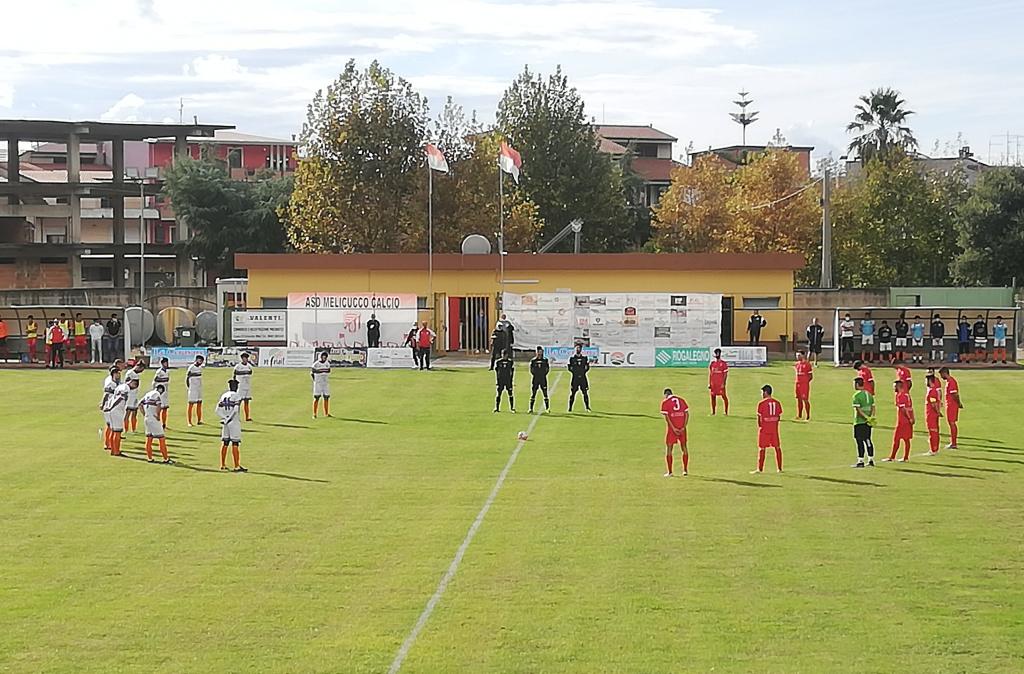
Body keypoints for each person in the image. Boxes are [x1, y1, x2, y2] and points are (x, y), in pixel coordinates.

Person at [217, 379, 246, 472]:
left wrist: (224, 418)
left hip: (225, 422)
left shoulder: (224, 395)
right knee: (235, 443)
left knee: (225, 442)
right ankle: (236, 465)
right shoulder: (237, 396)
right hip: (233, 422)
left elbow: (217, 410)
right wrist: (229, 419)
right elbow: (235, 410)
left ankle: (222, 464)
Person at [104, 377, 138, 458]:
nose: (134, 385)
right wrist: (112, 406)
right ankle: (116, 451)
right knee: (117, 432)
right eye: (134, 383)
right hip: (117, 411)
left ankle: (113, 449)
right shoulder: (125, 388)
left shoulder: (120, 386)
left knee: (113, 430)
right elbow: (119, 398)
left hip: (113, 410)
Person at [753, 384, 783, 474]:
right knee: (777, 448)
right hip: (774, 429)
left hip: (764, 430)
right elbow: (779, 416)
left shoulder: (761, 404)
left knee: (762, 448)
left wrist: (761, 427)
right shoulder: (777, 403)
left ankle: (760, 469)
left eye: (762, 392)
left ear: (765, 392)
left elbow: (759, 419)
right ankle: (779, 468)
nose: (761, 394)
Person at [884, 380, 915, 463]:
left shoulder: (900, 396)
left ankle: (892, 457)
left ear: (898, 386)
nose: (893, 388)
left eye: (894, 386)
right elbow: (910, 408)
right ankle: (905, 457)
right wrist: (912, 418)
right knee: (906, 439)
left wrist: (909, 418)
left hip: (903, 421)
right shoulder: (906, 395)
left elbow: (904, 409)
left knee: (897, 439)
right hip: (907, 421)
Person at [660, 388, 689, 477]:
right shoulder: (681, 400)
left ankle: (670, 472)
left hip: (672, 429)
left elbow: (667, 417)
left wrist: (673, 428)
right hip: (682, 428)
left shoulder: (665, 402)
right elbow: (687, 414)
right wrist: (683, 427)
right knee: (684, 447)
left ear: (665, 394)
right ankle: (685, 470)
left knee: (669, 448)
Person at [140, 384, 171, 464]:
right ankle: (166, 458)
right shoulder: (157, 395)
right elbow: (158, 404)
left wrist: (144, 414)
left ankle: (149, 458)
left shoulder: (147, 394)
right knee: (161, 439)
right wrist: (157, 415)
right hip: (154, 419)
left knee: (149, 439)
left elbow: (140, 404)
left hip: (147, 418)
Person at [851, 377, 876, 468]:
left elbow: (858, 409)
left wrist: (865, 417)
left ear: (857, 384)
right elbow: (873, 407)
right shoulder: (869, 394)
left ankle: (860, 460)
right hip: (868, 422)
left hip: (859, 422)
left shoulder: (856, 396)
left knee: (859, 440)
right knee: (868, 439)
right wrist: (871, 417)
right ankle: (871, 459)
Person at [939, 367, 962, 449]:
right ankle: (953, 442)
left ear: (945, 373)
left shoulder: (951, 382)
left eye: (941, 374)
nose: (941, 377)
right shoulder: (950, 381)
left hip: (952, 405)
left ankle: (954, 443)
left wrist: (959, 403)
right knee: (951, 423)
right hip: (951, 405)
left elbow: (955, 394)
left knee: (952, 423)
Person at [100, 365, 122, 452]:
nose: (119, 375)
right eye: (117, 373)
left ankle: (111, 444)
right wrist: (103, 404)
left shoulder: (119, 383)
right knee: (109, 425)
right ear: (113, 374)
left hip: (116, 407)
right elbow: (106, 395)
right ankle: (107, 443)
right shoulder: (110, 384)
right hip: (109, 407)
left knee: (113, 426)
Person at [123, 360, 146, 433]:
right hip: (129, 396)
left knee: (135, 412)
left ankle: (133, 429)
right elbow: (130, 385)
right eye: (141, 369)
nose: (142, 371)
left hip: (135, 395)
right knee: (128, 413)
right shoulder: (130, 373)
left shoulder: (135, 374)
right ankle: (126, 429)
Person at [567, 343, 591, 412]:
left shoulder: (584, 358)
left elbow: (587, 367)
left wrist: (582, 372)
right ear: (575, 349)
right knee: (573, 393)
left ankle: (587, 407)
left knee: (585, 393)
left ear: (581, 349)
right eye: (577, 348)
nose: (578, 349)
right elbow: (569, 368)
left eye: (579, 348)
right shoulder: (572, 359)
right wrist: (575, 372)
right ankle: (570, 408)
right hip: (575, 379)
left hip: (583, 378)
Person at [924, 374, 943, 456]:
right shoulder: (935, 390)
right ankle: (936, 448)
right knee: (935, 431)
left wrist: (938, 412)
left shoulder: (932, 391)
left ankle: (933, 450)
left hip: (931, 414)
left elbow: (933, 403)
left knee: (932, 432)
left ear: (930, 381)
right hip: (934, 414)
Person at [528, 346, 550, 414]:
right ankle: (531, 408)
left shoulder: (545, 360)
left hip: (543, 379)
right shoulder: (533, 361)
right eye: (538, 351)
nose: (539, 353)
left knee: (545, 394)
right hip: (535, 379)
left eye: (540, 351)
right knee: (533, 394)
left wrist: (543, 374)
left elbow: (547, 369)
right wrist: (536, 374)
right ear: (536, 352)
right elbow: (531, 370)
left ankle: (547, 408)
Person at [233, 351, 254, 421]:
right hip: (240, 386)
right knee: (238, 402)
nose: (245, 359)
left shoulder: (249, 366)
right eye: (244, 358)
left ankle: (247, 416)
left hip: (247, 386)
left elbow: (250, 374)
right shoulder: (238, 367)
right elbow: (234, 376)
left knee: (246, 402)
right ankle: (236, 416)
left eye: (246, 358)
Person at [708, 348, 729, 415]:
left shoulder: (723, 364)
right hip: (713, 384)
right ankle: (713, 412)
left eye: (718, 353)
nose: (717, 354)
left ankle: (726, 411)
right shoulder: (712, 364)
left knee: (724, 397)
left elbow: (725, 374)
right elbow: (710, 374)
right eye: (716, 353)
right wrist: (709, 383)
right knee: (713, 397)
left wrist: (723, 383)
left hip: (720, 384)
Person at [493, 349, 515, 413]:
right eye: (502, 354)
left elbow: (512, 372)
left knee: (510, 394)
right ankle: (497, 408)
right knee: (499, 394)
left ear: (507, 355)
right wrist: (497, 381)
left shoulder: (510, 362)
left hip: (508, 380)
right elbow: (497, 372)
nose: (503, 356)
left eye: (504, 355)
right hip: (501, 381)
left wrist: (511, 380)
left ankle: (512, 408)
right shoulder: (498, 362)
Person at [185, 354, 205, 426]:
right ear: (196, 360)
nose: (200, 362)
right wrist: (189, 387)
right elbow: (187, 378)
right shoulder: (191, 367)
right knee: (191, 404)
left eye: (202, 361)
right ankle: (189, 422)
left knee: (199, 403)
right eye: (199, 360)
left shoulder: (200, 368)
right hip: (193, 388)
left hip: (199, 388)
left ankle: (199, 420)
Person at [312, 350, 331, 419]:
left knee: (326, 397)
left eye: (325, 357)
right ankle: (314, 414)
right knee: (316, 398)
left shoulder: (327, 364)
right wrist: (315, 380)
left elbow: (328, 371)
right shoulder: (316, 364)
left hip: (325, 383)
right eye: (323, 357)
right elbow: (312, 373)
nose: (324, 358)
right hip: (318, 383)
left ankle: (326, 413)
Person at [794, 351, 813, 420]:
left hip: (804, 385)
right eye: (796, 355)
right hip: (797, 384)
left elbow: (811, 376)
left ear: (803, 355)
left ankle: (807, 415)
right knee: (798, 399)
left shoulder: (807, 364)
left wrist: (805, 382)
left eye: (799, 355)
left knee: (805, 399)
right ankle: (799, 415)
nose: (797, 357)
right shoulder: (796, 364)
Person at [153, 356, 171, 428]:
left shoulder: (167, 372)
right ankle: (157, 423)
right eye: (165, 363)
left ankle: (164, 423)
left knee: (165, 409)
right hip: (160, 393)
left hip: (165, 392)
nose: (166, 364)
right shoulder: (159, 372)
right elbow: (155, 381)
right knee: (159, 408)